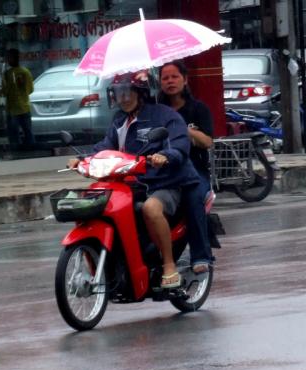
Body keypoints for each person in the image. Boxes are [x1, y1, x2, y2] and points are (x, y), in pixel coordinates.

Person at [68, 71, 198, 289]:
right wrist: (83, 159)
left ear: (141, 93)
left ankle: (168, 265)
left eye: (128, 92)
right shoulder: (119, 121)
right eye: (119, 93)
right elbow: (104, 147)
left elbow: (179, 145)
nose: (123, 98)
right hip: (130, 184)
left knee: (151, 209)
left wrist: (165, 156)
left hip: (163, 182)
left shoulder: (165, 116)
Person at [159, 61, 214, 274]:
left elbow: (207, 141)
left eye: (174, 77)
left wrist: (181, 128)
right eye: (165, 78)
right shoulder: (155, 110)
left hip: (194, 170)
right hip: (162, 170)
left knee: (192, 198)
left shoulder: (198, 109)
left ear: (185, 79)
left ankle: (201, 255)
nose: (170, 81)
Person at [0, 48, 35, 149]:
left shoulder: (9, 74)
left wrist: (0, 91)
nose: (8, 60)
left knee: (14, 136)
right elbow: (30, 90)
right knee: (28, 133)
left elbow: (5, 91)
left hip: (14, 110)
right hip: (23, 108)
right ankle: (30, 152)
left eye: (9, 57)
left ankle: (17, 153)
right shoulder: (25, 72)